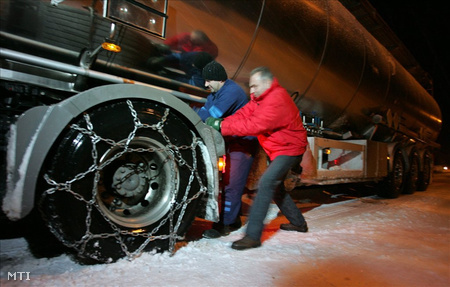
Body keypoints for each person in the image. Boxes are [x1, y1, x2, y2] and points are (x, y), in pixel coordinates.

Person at [205, 66, 308, 250]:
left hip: (290, 148)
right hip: (277, 148)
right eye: (250, 86)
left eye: (254, 86)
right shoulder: (259, 97)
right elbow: (244, 114)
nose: (251, 90)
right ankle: (298, 223)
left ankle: (252, 236)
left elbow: (254, 125)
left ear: (267, 83)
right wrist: (224, 122)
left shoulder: (277, 100)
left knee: (267, 183)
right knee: (276, 188)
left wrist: (222, 126)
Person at [197, 61, 257, 239]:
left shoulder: (232, 91)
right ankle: (234, 219)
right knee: (227, 183)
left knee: (232, 184)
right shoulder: (215, 93)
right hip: (231, 141)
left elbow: (210, 115)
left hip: (244, 143)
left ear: (218, 79)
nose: (205, 84)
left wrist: (203, 114)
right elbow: (202, 114)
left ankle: (224, 225)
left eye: (208, 80)